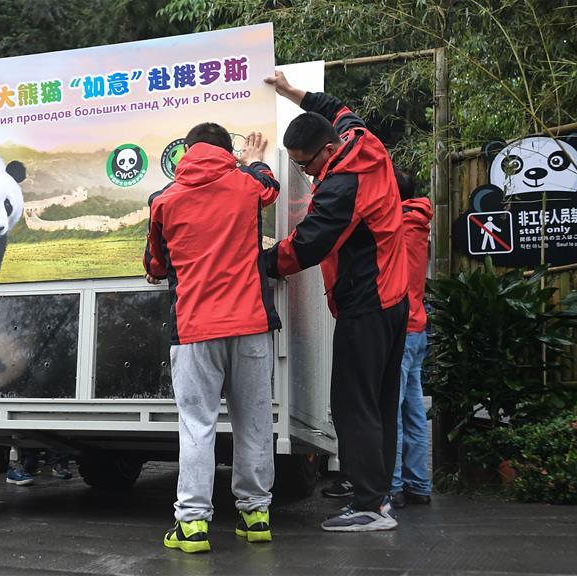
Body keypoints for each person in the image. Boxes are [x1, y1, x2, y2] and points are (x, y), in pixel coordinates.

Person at [263, 71, 408, 532]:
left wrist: (254, 262)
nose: (304, 173)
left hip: (367, 301)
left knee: (352, 403)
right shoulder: (358, 137)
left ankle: (367, 505)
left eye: (304, 165)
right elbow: (334, 105)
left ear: (326, 151)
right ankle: (379, 499)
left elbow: (306, 246)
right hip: (393, 297)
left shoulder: (343, 186)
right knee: (378, 402)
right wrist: (293, 92)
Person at [144, 123, 281, 553]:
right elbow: (271, 185)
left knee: (197, 426)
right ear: (226, 150)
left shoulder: (162, 200)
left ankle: (193, 526)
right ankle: (256, 515)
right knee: (255, 422)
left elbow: (155, 264)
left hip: (195, 330)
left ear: (185, 150)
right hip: (250, 325)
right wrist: (250, 161)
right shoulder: (247, 184)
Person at [390, 168, 433, 509]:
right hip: (418, 326)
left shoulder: (397, 226)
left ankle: (391, 486)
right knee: (414, 410)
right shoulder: (418, 223)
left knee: (392, 410)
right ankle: (418, 483)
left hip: (400, 329)